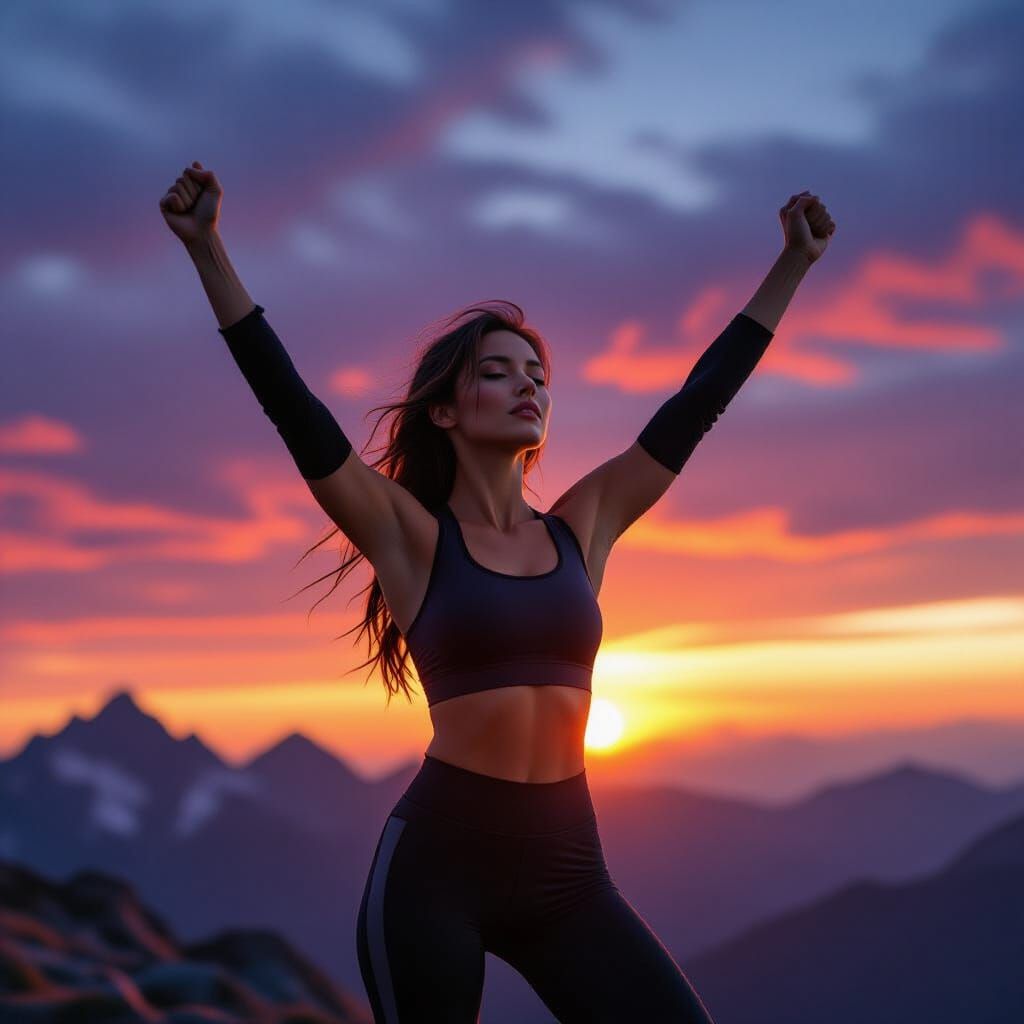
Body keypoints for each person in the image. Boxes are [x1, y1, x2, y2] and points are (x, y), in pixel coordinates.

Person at [160, 161, 835, 1023]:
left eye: (538, 375)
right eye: (498, 372)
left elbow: (695, 404)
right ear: (444, 411)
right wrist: (207, 249)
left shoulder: (583, 525)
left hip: (570, 873)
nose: (529, 385)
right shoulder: (408, 535)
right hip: (435, 873)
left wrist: (793, 264)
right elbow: (293, 409)